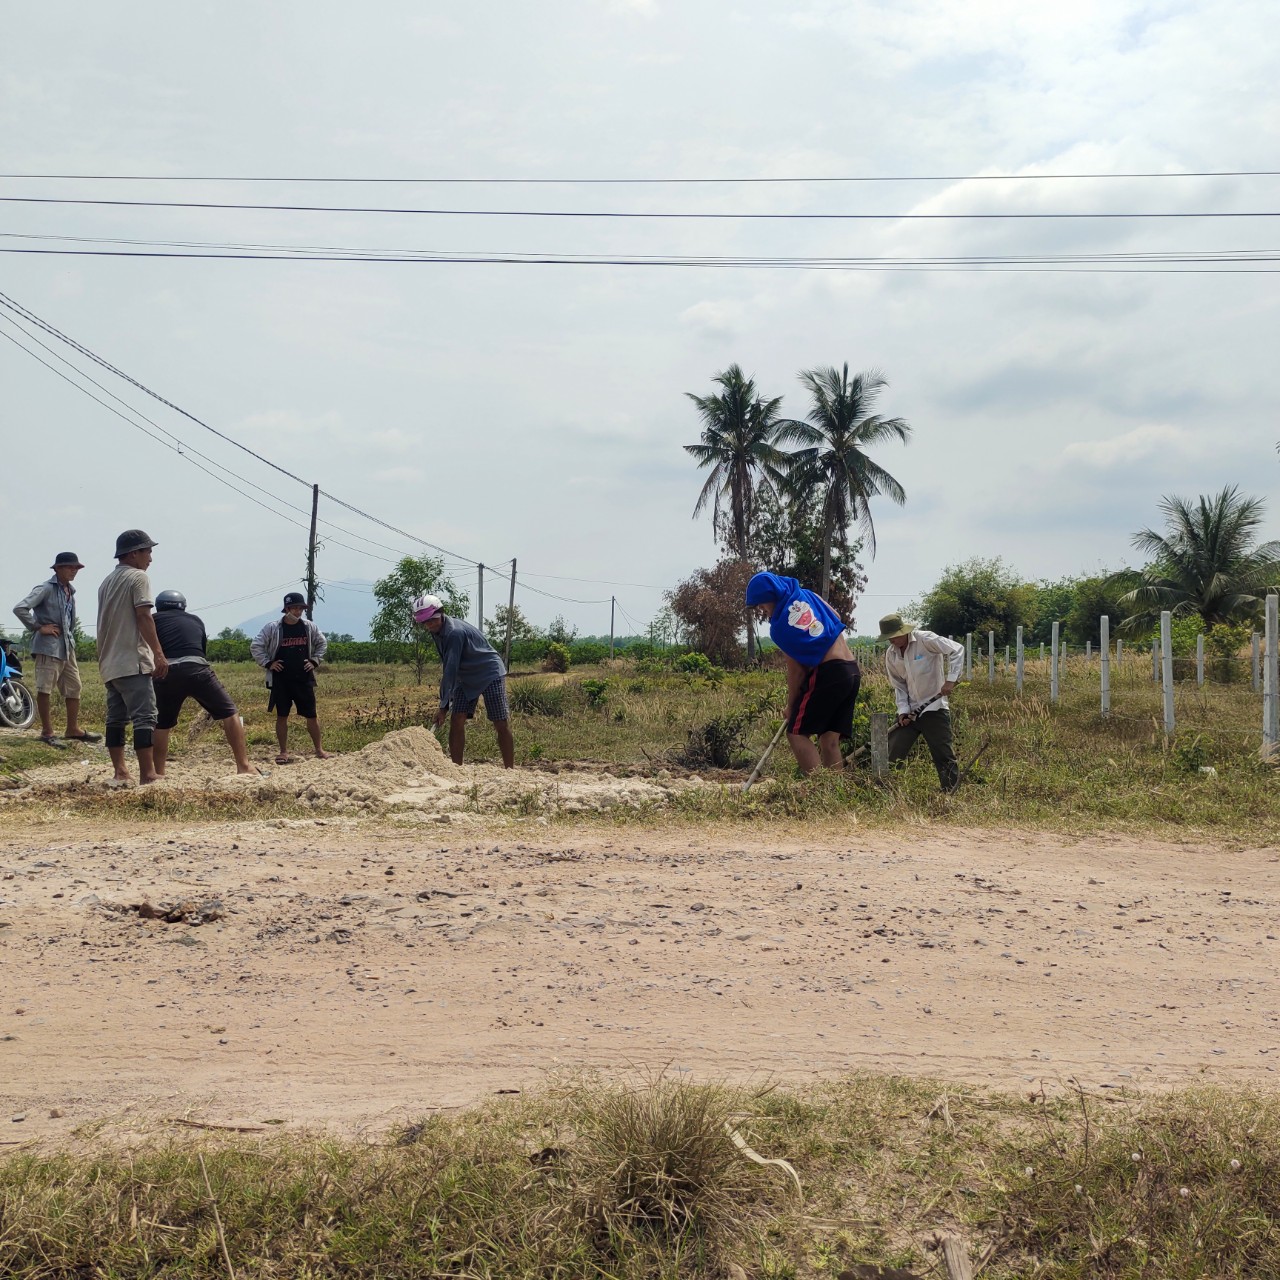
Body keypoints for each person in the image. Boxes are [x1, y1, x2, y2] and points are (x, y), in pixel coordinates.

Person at [743, 572, 860, 774]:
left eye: (763, 605)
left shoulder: (780, 627)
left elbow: (796, 672)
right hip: (851, 670)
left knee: (796, 733)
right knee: (828, 739)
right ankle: (835, 796)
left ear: (772, 597)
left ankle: (819, 789)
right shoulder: (807, 595)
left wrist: (791, 706)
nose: (764, 612)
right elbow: (836, 616)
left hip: (829, 672)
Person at [150, 590, 255, 776]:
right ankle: (243, 766)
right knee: (230, 713)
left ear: (159, 606)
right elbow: (200, 650)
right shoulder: (195, 620)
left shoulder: (153, 620)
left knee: (161, 724)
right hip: (198, 669)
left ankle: (158, 772)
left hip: (167, 671)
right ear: (183, 605)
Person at [96, 530, 168, 786]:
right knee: (145, 717)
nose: (150, 558)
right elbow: (143, 616)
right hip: (132, 660)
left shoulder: (107, 581)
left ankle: (120, 771)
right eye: (147, 552)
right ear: (134, 553)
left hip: (110, 662)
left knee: (115, 719)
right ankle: (148, 773)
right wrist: (158, 654)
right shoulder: (138, 577)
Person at [413, 594, 514, 767]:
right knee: (457, 719)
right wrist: (447, 701)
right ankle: (456, 768)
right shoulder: (436, 631)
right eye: (425, 622)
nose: (429, 624)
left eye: (433, 620)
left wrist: (443, 707)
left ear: (441, 613)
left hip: (488, 672)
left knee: (500, 722)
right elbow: (451, 663)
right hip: (466, 676)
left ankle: (510, 769)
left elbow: (450, 669)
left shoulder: (454, 633)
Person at [12, 551, 101, 745]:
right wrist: (38, 627)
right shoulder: (45, 588)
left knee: (74, 686)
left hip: (67, 646)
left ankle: (72, 728)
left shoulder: (70, 591)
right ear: (58, 568)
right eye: (70, 567)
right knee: (45, 688)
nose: (74, 571)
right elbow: (20, 608)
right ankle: (47, 731)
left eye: (76, 568)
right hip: (48, 647)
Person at [879, 613, 964, 793]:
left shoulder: (925, 640)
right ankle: (882, 793)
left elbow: (957, 649)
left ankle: (951, 794)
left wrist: (951, 679)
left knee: (943, 755)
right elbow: (899, 685)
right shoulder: (891, 655)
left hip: (934, 708)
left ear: (904, 632)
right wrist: (902, 711)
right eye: (888, 639)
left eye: (894, 637)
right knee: (893, 753)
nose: (892, 642)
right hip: (910, 712)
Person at [250, 592, 329, 764]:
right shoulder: (273, 627)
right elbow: (256, 646)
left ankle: (319, 749)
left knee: (311, 715)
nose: (297, 611)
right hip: (281, 679)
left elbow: (322, 643)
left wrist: (315, 661)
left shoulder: (309, 627)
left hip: (303, 678)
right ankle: (283, 752)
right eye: (294, 607)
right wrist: (268, 662)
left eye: (300, 608)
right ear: (286, 608)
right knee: (282, 715)